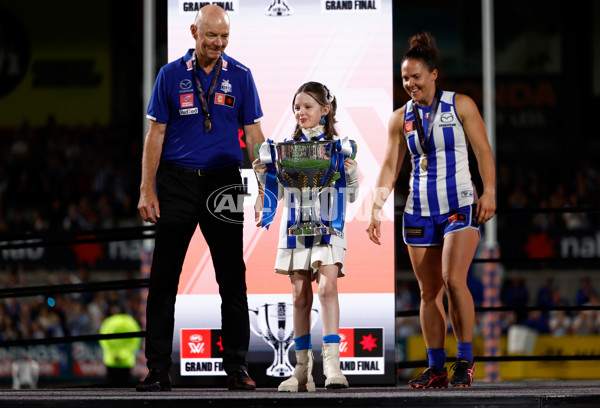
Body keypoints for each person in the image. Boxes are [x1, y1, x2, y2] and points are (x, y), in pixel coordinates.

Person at [136, 5, 265, 392]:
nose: (219, 44)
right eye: (212, 36)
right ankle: (158, 369)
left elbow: (255, 136)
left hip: (225, 182)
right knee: (164, 277)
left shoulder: (240, 75)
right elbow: (154, 136)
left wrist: (267, 186)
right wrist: (147, 188)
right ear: (194, 31)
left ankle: (237, 367)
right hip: (177, 182)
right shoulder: (170, 75)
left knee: (232, 277)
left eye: (225, 37)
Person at [366, 32, 496, 389]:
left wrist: (490, 192)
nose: (410, 84)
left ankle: (465, 360)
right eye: (405, 78)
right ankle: (437, 367)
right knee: (427, 293)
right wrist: (376, 207)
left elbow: (483, 151)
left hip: (459, 205)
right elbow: (391, 166)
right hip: (419, 210)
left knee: (454, 280)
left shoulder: (461, 105)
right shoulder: (399, 118)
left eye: (416, 77)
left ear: (434, 74)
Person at [253, 82, 359, 391]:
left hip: (330, 226)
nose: (301, 112)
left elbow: (351, 197)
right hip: (296, 227)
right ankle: (302, 371)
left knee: (327, 289)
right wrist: (263, 174)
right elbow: (281, 192)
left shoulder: (341, 147)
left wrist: (351, 173)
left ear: (325, 110)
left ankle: (333, 367)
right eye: (297, 107)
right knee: (299, 296)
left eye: (307, 106)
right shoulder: (285, 149)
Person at [98, 312, 142, 387]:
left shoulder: (109, 322)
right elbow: (136, 341)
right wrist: (122, 355)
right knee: (125, 388)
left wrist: (115, 354)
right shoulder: (131, 323)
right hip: (126, 362)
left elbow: (103, 340)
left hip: (111, 361)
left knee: (110, 387)